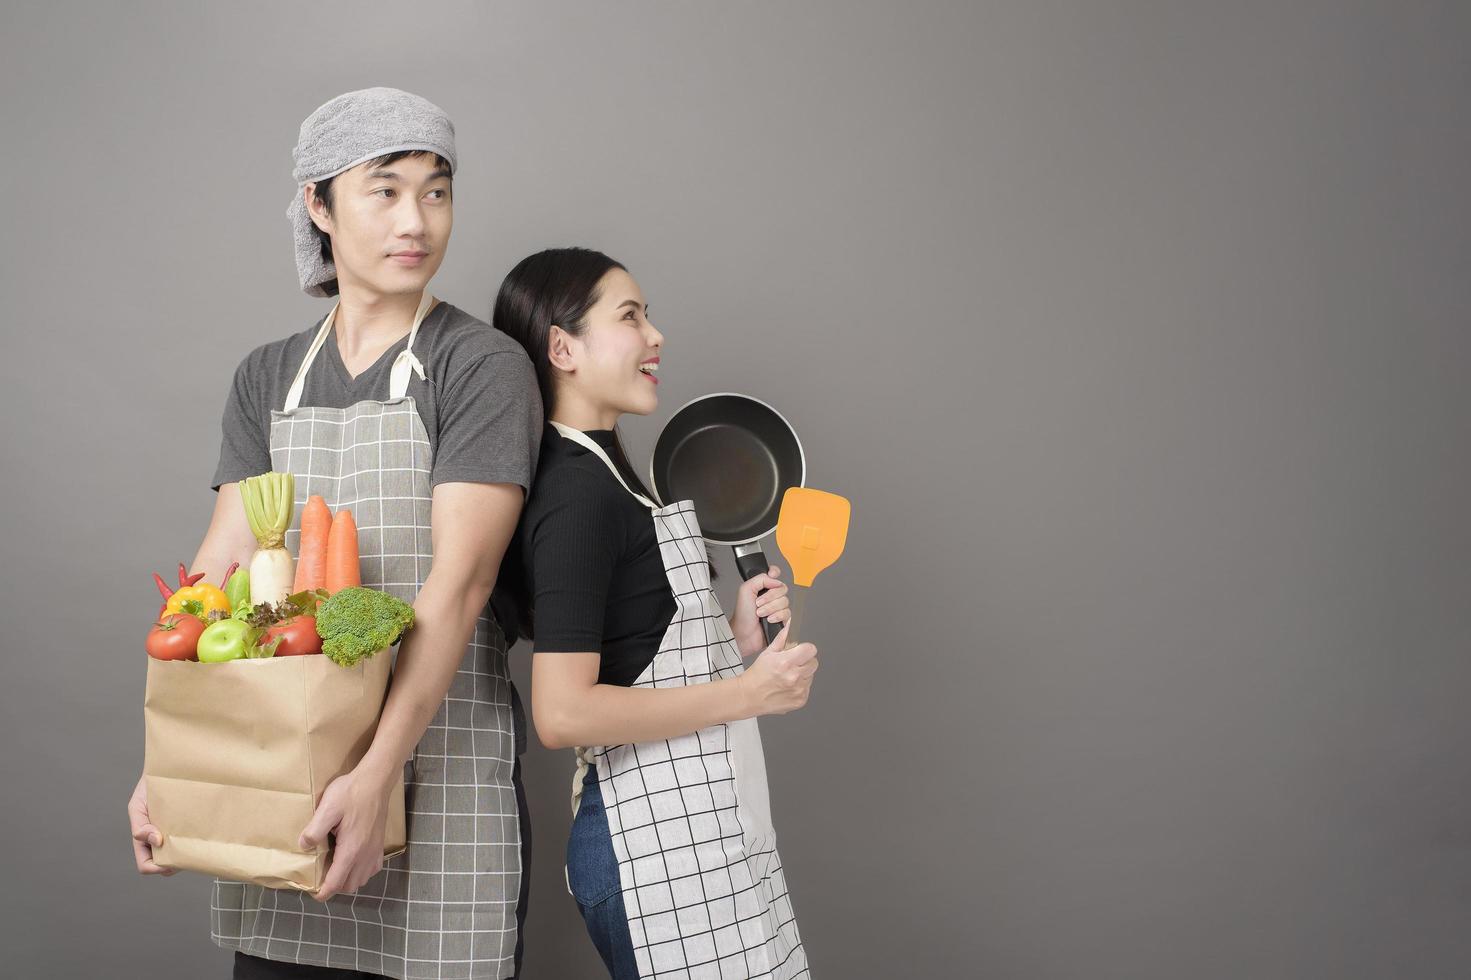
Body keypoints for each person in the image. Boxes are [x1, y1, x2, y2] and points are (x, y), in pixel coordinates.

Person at [126, 87, 542, 980]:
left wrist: (378, 772)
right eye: (384, 190)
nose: (417, 221)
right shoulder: (268, 376)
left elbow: (459, 589)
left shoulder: (480, 366)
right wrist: (176, 761)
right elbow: (217, 574)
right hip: (286, 780)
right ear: (317, 203)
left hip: (438, 767)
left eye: (437, 191)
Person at [495, 247, 815, 979]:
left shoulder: (612, 474)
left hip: (701, 827)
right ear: (562, 347)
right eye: (631, 316)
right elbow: (563, 713)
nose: (656, 335)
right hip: (650, 843)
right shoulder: (575, 497)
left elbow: (633, 658)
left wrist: (730, 638)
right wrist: (747, 694)